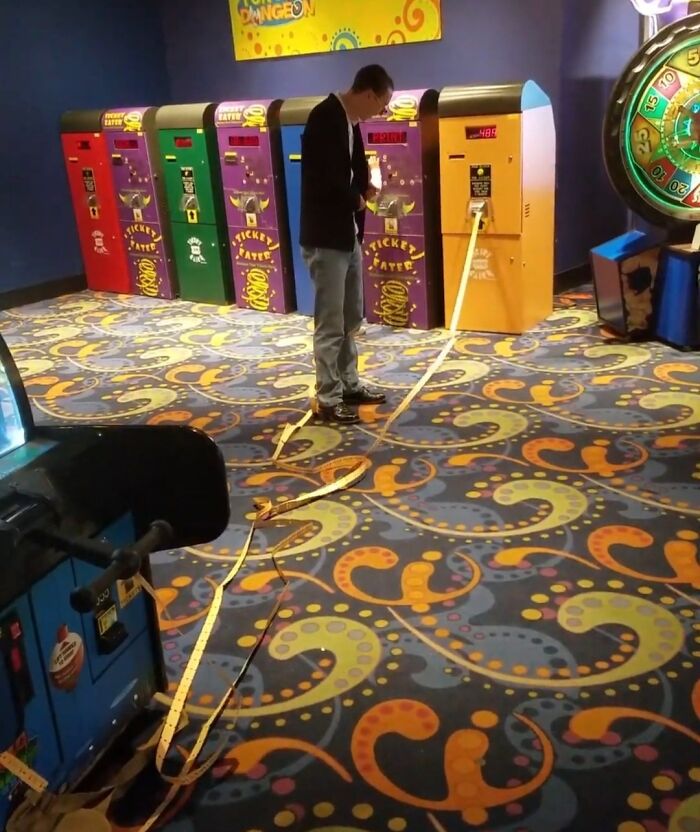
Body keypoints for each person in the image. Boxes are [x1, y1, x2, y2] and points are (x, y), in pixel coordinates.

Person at [300, 64, 394, 424]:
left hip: (347, 235)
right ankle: (327, 397)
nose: (381, 112)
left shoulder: (352, 124)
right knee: (330, 321)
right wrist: (356, 198)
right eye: (382, 104)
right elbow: (325, 181)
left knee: (351, 316)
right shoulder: (325, 118)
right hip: (326, 239)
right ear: (368, 94)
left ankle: (349, 383)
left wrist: (364, 190)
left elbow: (351, 172)